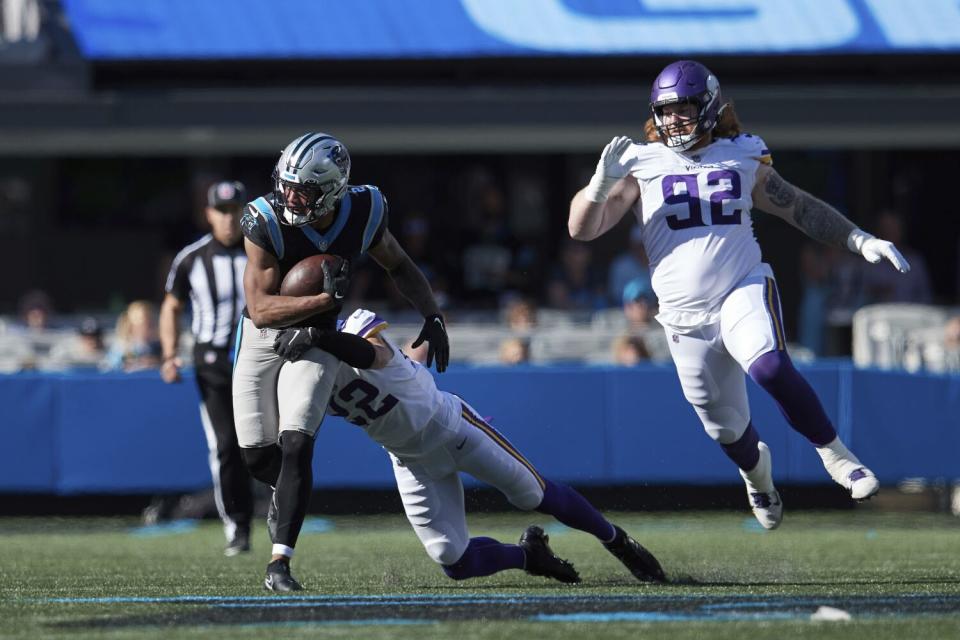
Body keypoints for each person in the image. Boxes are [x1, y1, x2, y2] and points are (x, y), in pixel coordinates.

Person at [568, 60, 911, 530]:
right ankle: (757, 475)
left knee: (769, 364)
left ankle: (837, 456)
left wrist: (859, 240)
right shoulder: (640, 164)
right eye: (664, 112)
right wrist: (599, 185)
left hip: (741, 286)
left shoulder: (742, 154)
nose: (672, 121)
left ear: (708, 107)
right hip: (683, 318)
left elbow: (799, 207)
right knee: (724, 428)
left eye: (683, 110)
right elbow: (581, 229)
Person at [273, 308, 665, 585]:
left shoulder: (355, 325)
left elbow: (372, 355)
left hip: (450, 427)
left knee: (533, 493)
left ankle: (616, 540)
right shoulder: (304, 374)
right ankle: (530, 556)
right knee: (452, 560)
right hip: (410, 460)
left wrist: (323, 337)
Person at [234, 132, 449, 592]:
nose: (290, 196)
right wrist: (320, 298)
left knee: (296, 439)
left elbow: (399, 264)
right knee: (256, 456)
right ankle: (287, 496)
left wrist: (431, 315)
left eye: (303, 190)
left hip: (319, 337)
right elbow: (260, 308)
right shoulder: (264, 218)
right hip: (262, 333)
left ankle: (279, 564)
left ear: (332, 189)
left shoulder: (365, 210)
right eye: (286, 184)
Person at [159, 180, 255, 556]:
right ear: (209, 213)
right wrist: (169, 354)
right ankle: (238, 526)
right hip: (212, 363)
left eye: (235, 211)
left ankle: (278, 519)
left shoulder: (262, 251)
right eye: (222, 211)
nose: (229, 219)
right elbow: (171, 306)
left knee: (269, 442)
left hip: (258, 359)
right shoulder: (192, 258)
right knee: (226, 445)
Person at [104, 300, 162, 372]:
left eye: (153, 324)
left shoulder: (158, 347)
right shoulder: (121, 348)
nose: (152, 328)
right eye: (147, 325)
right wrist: (136, 363)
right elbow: (108, 369)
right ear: (132, 326)